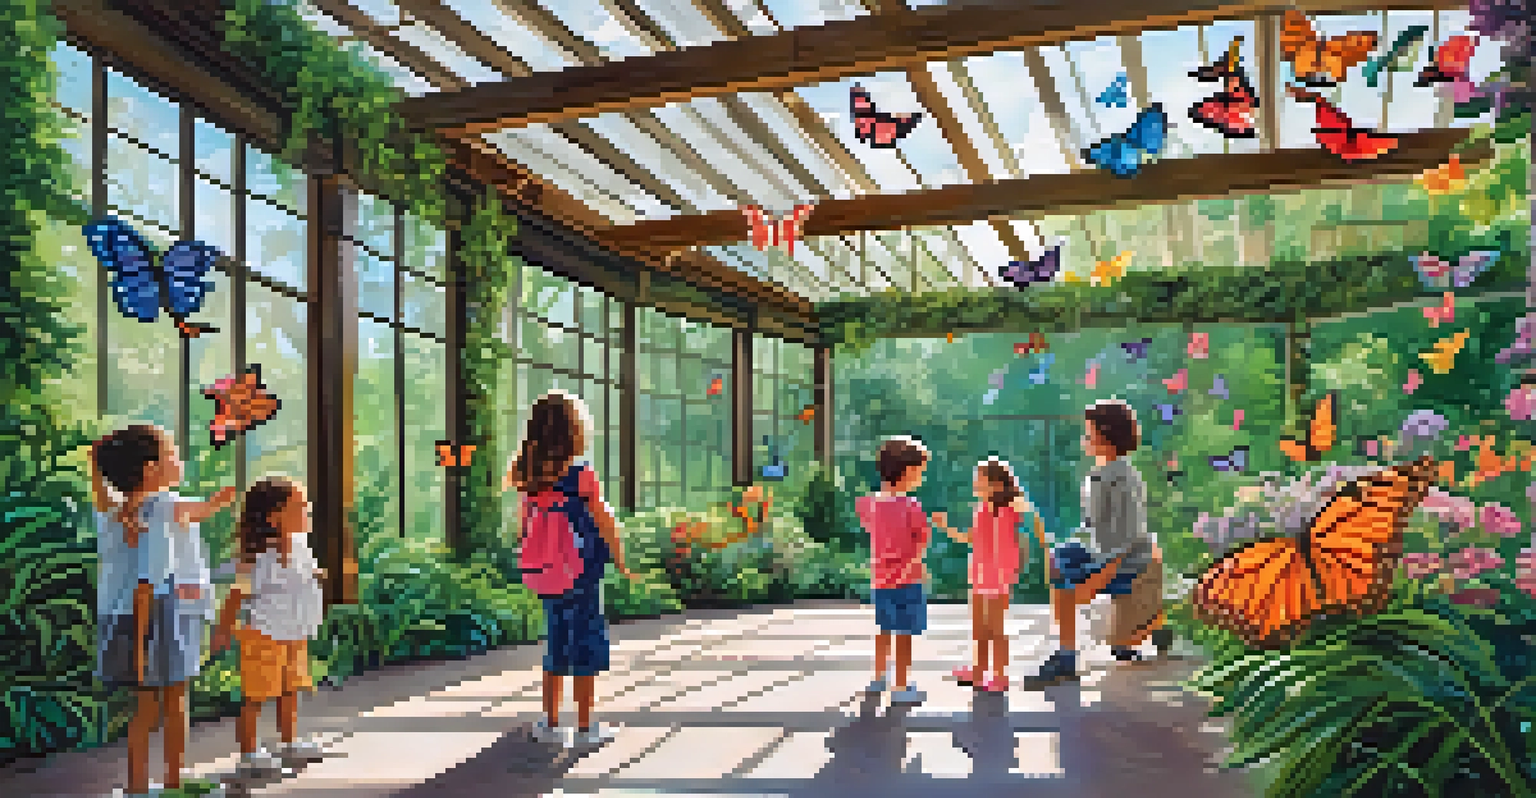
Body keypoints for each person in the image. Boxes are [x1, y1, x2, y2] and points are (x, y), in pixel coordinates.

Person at [91, 425, 235, 796]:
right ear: (152, 468)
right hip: (166, 614)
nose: (179, 460)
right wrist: (218, 503)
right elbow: (148, 583)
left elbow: (101, 497)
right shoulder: (165, 505)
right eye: (172, 453)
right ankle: (173, 780)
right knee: (175, 703)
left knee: (145, 709)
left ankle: (138, 786)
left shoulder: (114, 514)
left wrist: (96, 464)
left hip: (125, 618)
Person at [504, 390, 638, 747]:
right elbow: (606, 521)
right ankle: (584, 727)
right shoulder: (580, 475)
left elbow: (521, 525)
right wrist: (621, 560)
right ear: (574, 431)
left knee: (556, 643)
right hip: (581, 574)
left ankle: (549, 724)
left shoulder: (527, 475)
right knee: (586, 645)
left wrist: (530, 549)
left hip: (546, 575)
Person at [1025, 400, 1170, 689]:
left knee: (1067, 575)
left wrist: (1100, 576)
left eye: (1088, 433)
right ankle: (1069, 652)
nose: (1084, 439)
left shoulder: (1123, 480)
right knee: (1059, 559)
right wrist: (1072, 546)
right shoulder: (1098, 474)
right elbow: (1092, 525)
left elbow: (1128, 536)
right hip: (1103, 551)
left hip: (1128, 559)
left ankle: (1137, 632)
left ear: (1106, 435)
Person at [211, 477, 328, 776]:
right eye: (300, 506)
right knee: (256, 695)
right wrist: (223, 629)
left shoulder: (301, 546)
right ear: (274, 518)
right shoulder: (255, 557)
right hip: (263, 633)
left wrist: (314, 575)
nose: (308, 510)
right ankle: (249, 752)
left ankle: (289, 743)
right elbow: (237, 593)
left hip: (294, 632)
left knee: (290, 690)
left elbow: (302, 575)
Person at [933, 457, 1047, 692]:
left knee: (996, 629)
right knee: (978, 628)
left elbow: (1034, 522)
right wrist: (945, 527)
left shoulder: (1010, 509)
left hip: (1000, 576)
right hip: (979, 574)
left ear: (996, 484)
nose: (975, 482)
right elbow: (970, 538)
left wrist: (1020, 503)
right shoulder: (980, 510)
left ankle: (1000, 676)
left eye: (980, 478)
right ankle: (978, 672)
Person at [854, 435, 940, 706]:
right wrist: (916, 567)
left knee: (884, 629)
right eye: (919, 472)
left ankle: (879, 676)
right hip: (907, 581)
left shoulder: (868, 504)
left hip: (880, 579)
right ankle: (901, 686)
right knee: (904, 633)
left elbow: (870, 528)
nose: (921, 478)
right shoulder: (912, 507)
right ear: (906, 472)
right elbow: (921, 542)